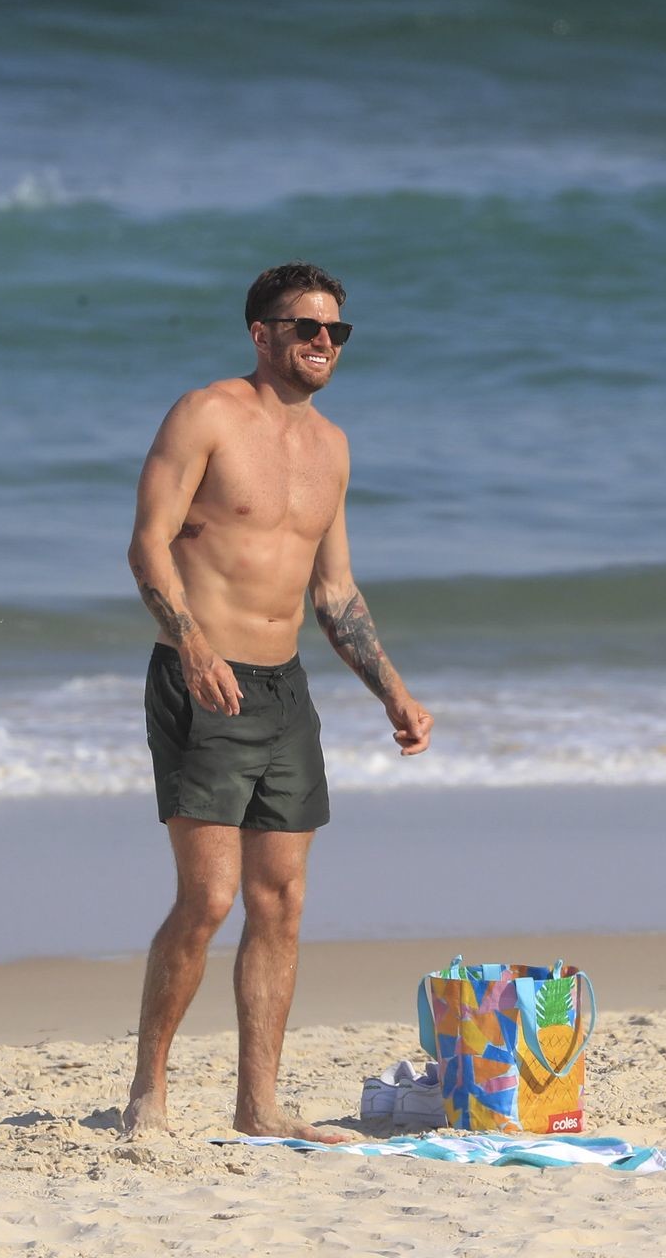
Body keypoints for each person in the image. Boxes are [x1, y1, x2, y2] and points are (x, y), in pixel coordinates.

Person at [121, 263, 434, 1141]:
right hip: (202, 679)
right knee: (209, 899)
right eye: (306, 327)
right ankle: (149, 1092)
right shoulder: (206, 415)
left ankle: (258, 1106)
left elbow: (334, 591)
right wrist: (191, 645)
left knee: (282, 901)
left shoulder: (332, 447)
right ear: (262, 334)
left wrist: (394, 691)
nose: (323, 342)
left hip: (284, 690)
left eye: (336, 330)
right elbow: (148, 546)